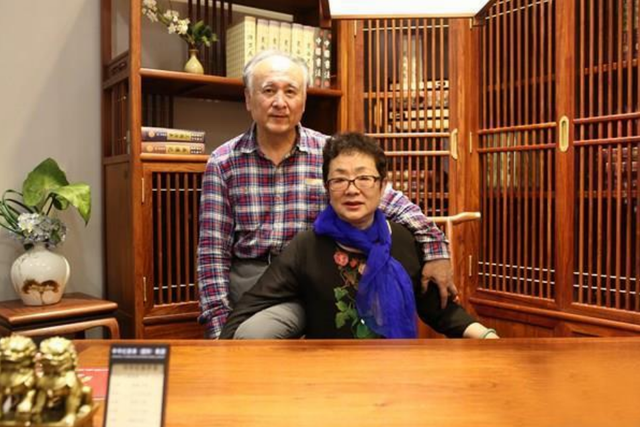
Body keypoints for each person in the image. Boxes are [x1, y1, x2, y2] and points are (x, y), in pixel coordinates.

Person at [198, 50, 458, 339]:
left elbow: (396, 204)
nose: (280, 102)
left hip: (314, 278)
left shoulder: (329, 153)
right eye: (268, 91)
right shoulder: (223, 162)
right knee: (248, 337)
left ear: (303, 100)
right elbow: (212, 253)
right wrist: (218, 328)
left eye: (290, 92)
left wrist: (437, 252)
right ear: (248, 98)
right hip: (252, 280)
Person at [220, 133, 498, 339]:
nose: (352, 190)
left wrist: (486, 336)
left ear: (382, 185)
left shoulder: (402, 239)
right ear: (327, 188)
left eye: (364, 178)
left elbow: (439, 310)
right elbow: (253, 303)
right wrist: (220, 355)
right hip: (330, 375)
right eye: (340, 179)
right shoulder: (307, 245)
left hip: (397, 371)